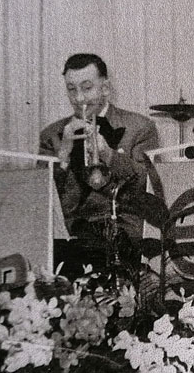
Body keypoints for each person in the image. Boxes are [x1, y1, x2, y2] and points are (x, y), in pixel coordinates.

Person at [39, 53, 160, 273]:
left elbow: (149, 184)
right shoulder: (51, 135)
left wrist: (108, 154)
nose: (79, 98)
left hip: (124, 234)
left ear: (105, 88)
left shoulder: (140, 127)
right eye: (71, 89)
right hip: (70, 238)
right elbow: (39, 197)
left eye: (87, 88)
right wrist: (62, 156)